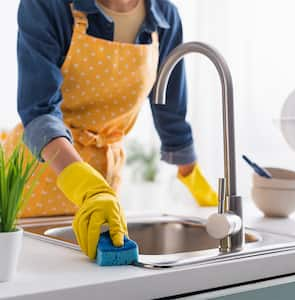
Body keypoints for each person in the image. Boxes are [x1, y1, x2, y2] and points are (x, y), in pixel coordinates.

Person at [0, 0, 218, 260]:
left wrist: (192, 177)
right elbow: (39, 111)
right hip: (34, 178)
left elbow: (170, 109)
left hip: (104, 179)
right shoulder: (48, 6)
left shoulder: (165, 16)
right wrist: (85, 185)